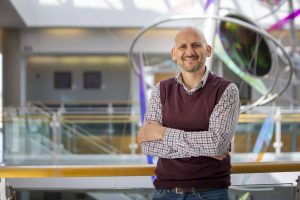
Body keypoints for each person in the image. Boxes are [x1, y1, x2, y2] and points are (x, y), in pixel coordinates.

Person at [138, 26, 240, 200]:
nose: (190, 51)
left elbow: (217, 144)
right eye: (182, 47)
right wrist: (204, 148)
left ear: (208, 50)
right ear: (174, 54)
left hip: (210, 193)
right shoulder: (161, 90)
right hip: (165, 193)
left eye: (196, 45)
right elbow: (148, 144)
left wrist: (162, 132)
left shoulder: (226, 90)